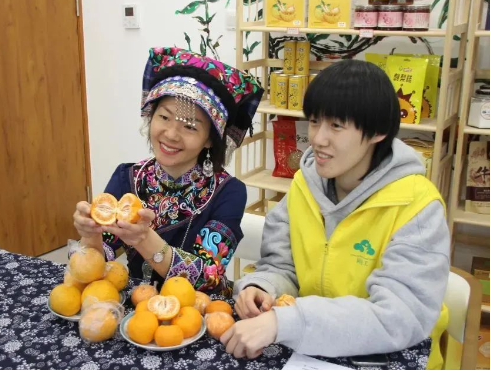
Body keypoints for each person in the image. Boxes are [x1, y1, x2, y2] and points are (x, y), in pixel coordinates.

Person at [221, 60, 450, 369]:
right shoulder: (304, 185)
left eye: (337, 126)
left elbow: (400, 317)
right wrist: (262, 287)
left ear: (378, 131)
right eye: (315, 121)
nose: (317, 138)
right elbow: (282, 265)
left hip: (388, 357)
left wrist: (287, 322)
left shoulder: (417, 205)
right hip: (308, 352)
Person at [73, 47, 263, 296]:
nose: (171, 134)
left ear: (210, 139)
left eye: (190, 127)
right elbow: (96, 266)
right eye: (164, 117)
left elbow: (209, 277)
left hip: (202, 310)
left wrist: (144, 238)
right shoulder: (127, 178)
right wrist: (90, 235)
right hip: (139, 304)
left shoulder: (229, 192)